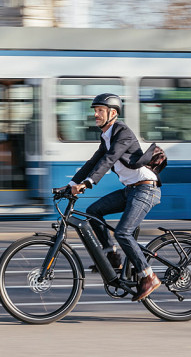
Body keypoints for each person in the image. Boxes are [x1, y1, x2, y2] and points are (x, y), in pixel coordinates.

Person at [65, 93, 162, 302]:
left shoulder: (122, 132)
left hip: (146, 189)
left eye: (100, 110)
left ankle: (149, 276)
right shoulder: (106, 137)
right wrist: (71, 185)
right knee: (93, 212)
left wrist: (89, 183)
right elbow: (92, 163)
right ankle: (112, 256)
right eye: (95, 110)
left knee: (123, 233)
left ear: (113, 113)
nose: (96, 114)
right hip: (131, 190)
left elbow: (109, 160)